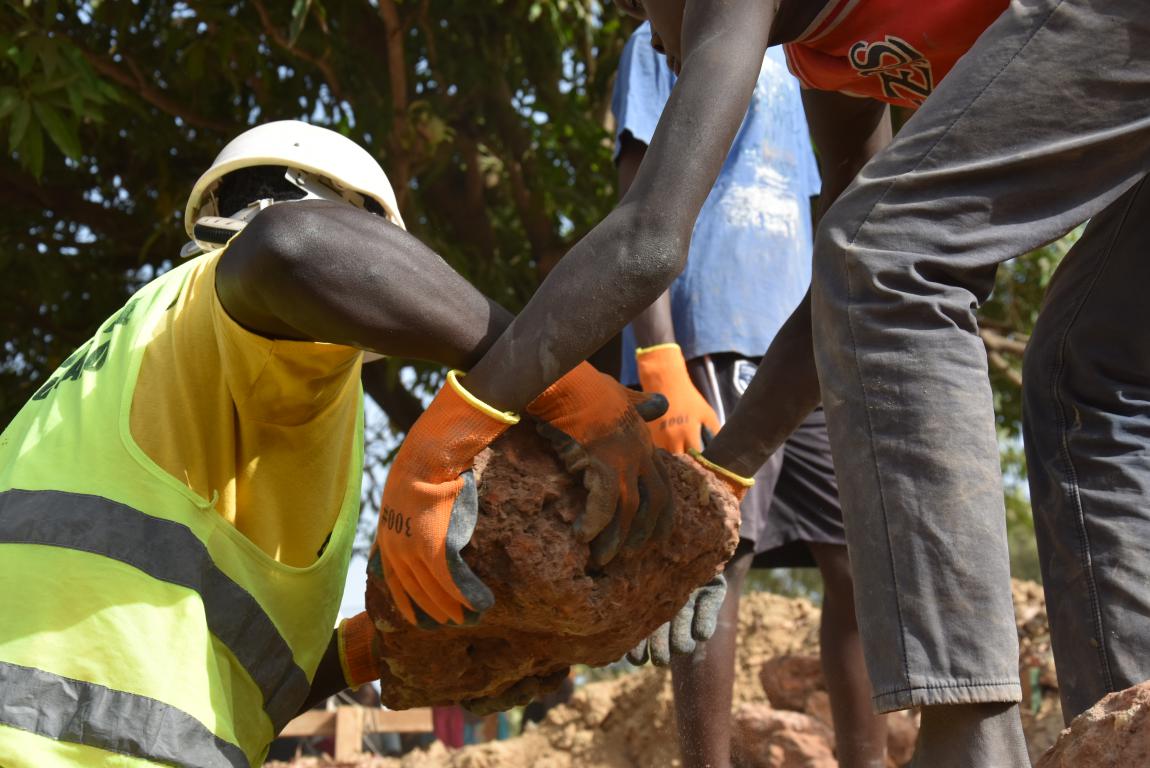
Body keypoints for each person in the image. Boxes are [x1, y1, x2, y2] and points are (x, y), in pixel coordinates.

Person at [403, 1, 1150, 766]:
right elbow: (847, 273)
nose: (633, 16)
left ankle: (972, 742)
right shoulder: (828, 57)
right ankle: (1127, 727)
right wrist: (724, 476)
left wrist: (443, 441)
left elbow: (651, 237)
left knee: (886, 252)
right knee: (1085, 377)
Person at [0, 120, 700, 767]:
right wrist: (554, 378)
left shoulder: (130, 356)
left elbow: (236, 674)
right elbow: (292, 247)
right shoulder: (244, 310)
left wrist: (389, 646)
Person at [611, 24, 885, 767]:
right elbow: (638, 198)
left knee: (858, 561)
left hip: (805, 339)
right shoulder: (668, 31)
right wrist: (659, 350)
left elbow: (836, 195)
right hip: (714, 331)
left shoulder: (814, 40)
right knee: (716, 552)